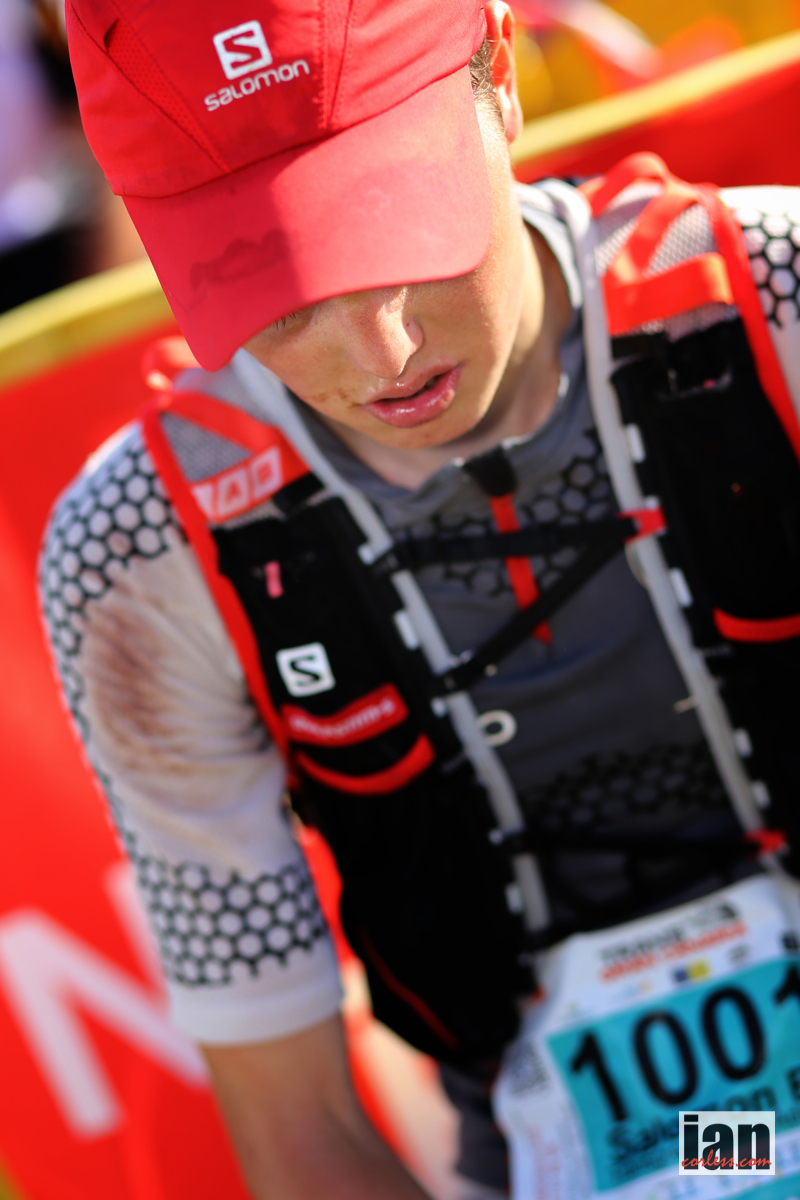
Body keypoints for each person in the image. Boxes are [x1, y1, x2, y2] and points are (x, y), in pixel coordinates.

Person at [41, 0, 800, 1197]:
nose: (379, 353)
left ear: (497, 73)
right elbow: (299, 1133)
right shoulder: (140, 547)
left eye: (396, 230)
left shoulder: (775, 292)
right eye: (264, 278)